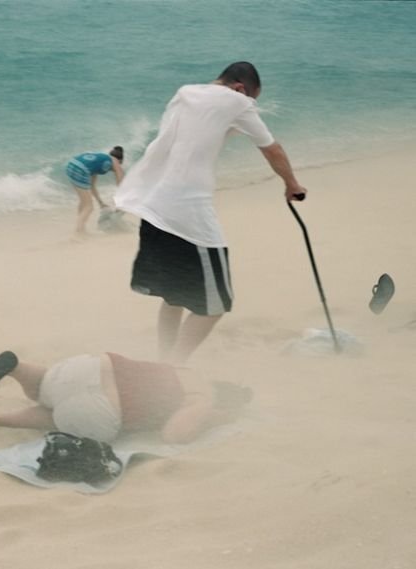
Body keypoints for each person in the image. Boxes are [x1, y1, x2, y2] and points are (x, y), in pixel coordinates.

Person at [114, 62, 308, 365]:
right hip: (187, 213)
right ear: (240, 88)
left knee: (173, 296)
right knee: (217, 304)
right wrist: (291, 184)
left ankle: (163, 359)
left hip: (153, 207)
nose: (250, 106)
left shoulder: (186, 93)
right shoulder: (237, 101)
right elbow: (272, 148)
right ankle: (173, 366)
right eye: (251, 100)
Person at [0, 350, 251, 444]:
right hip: (104, 409)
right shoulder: (201, 396)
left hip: (93, 366)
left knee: (47, 384)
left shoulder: (186, 370)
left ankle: (16, 368)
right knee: (55, 417)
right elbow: (174, 435)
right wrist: (211, 418)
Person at [66, 146, 125, 236]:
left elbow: (92, 186)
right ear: (120, 161)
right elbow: (121, 186)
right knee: (89, 207)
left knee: (84, 202)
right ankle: (78, 233)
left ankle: (81, 228)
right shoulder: (116, 163)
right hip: (80, 170)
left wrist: (101, 203)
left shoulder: (100, 160)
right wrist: (119, 205)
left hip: (71, 165)